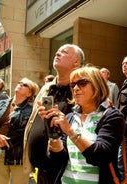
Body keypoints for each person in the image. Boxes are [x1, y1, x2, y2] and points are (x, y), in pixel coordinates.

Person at [37, 66, 125, 183]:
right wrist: (54, 134)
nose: (76, 88)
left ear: (97, 85)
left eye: (82, 83)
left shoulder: (112, 116)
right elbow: (57, 160)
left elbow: (101, 156)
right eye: (73, 85)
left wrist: (70, 131)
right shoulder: (70, 117)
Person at [23, 44, 85, 184]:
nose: (57, 54)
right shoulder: (47, 88)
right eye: (57, 51)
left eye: (63, 52)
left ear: (76, 62)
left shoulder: (82, 90)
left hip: (66, 172)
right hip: (41, 170)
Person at [0, 78, 39, 184]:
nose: (20, 84)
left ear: (29, 93)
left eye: (24, 85)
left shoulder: (31, 110)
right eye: (19, 82)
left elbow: (23, 132)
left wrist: (0, 142)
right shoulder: (1, 103)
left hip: (17, 156)